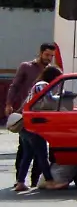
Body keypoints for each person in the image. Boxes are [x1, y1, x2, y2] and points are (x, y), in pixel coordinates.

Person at [12, 64, 57, 193]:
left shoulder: (37, 85)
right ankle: (50, 180)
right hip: (32, 125)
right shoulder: (42, 85)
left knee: (28, 154)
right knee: (42, 153)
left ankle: (20, 182)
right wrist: (61, 98)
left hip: (25, 124)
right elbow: (48, 101)